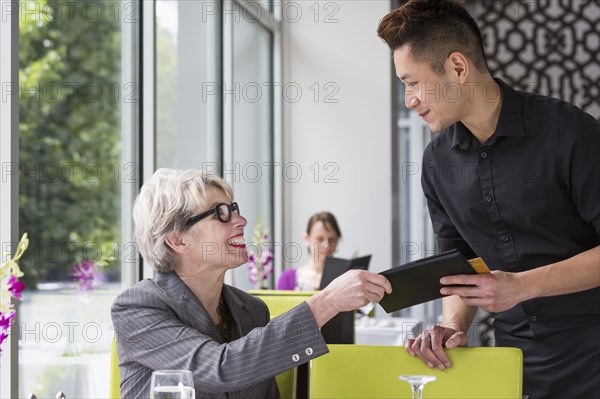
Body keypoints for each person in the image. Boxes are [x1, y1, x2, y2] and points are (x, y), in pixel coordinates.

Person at [377, 0, 600, 397]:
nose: (408, 99)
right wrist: (453, 326)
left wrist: (522, 285)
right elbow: (460, 267)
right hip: (511, 360)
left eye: (412, 82)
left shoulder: (570, 133)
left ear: (458, 68)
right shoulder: (436, 162)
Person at [111, 169, 392, 398]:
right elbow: (222, 368)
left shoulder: (252, 310)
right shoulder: (138, 308)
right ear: (177, 240)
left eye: (234, 209)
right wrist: (326, 301)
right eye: (221, 213)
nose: (241, 220)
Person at [277, 211, 342, 291]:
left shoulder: (343, 279)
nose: (327, 245)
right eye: (320, 239)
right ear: (306, 239)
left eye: (332, 239)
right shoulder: (287, 279)